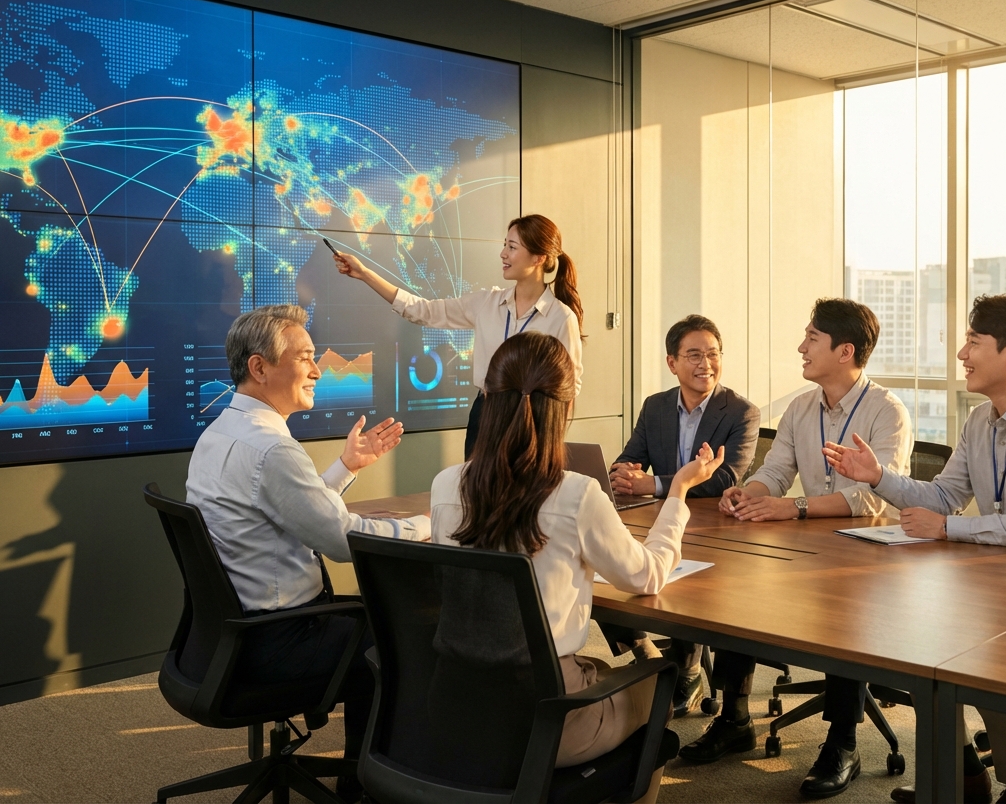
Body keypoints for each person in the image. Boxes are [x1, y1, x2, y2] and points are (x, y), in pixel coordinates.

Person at [824, 294, 1006, 804]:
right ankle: (962, 776)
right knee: (917, 643)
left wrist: (949, 531)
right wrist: (878, 477)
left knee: (987, 653)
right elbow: (942, 497)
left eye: (973, 342)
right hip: (1004, 573)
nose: (961, 353)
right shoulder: (980, 421)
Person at [430, 332, 724, 803]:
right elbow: (647, 577)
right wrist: (677, 494)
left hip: (459, 706)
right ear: (564, 407)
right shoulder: (575, 494)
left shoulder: (446, 486)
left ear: (488, 399)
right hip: (550, 716)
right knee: (659, 678)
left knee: (600, 666)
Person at [186, 305, 430, 802]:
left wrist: (344, 467)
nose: (318, 369)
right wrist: (430, 524)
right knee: (398, 635)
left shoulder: (222, 433)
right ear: (260, 368)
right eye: (305, 357)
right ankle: (365, 787)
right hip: (276, 639)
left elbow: (289, 512)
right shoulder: (271, 449)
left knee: (372, 616)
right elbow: (343, 541)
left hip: (230, 635)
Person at [679, 298, 912, 801]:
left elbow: (873, 497)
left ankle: (842, 743)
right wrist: (751, 492)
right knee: (736, 585)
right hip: (808, 544)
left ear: (844, 351)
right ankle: (735, 716)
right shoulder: (802, 408)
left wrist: (796, 509)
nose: (801, 347)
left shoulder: (886, 411)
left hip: (870, 554)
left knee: (845, 616)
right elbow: (776, 471)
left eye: (812, 338)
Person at [603, 314, 760, 718]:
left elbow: (725, 476)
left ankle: (704, 684)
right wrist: (624, 473)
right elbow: (630, 457)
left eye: (712, 354)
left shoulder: (741, 412)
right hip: (661, 522)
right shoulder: (655, 406)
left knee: (723, 598)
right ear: (672, 362)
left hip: (718, 531)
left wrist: (654, 485)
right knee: (601, 571)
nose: (705, 363)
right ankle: (649, 655)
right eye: (693, 355)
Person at [331, 214, 584, 458]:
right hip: (485, 413)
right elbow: (423, 311)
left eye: (512, 247)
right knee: (477, 494)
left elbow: (569, 389)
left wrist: (549, 438)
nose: (503, 254)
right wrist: (364, 274)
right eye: (504, 245)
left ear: (538, 258)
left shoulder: (561, 318)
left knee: (525, 499)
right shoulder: (487, 303)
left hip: (533, 422)